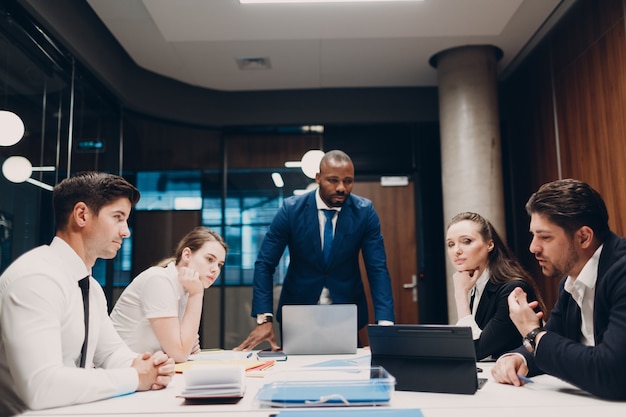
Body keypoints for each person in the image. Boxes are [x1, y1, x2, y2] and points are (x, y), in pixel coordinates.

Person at [0, 172, 175, 415]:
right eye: (118, 218)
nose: (126, 231)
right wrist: (135, 377)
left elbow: (113, 353)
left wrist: (148, 365)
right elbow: (41, 387)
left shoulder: (89, 287)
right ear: (82, 215)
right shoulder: (36, 278)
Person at [234, 150, 395, 351]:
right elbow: (265, 264)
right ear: (318, 178)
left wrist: (385, 324)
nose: (341, 188)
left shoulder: (364, 212)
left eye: (348, 181)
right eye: (333, 180)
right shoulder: (291, 210)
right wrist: (264, 317)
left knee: (348, 375)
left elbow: (377, 268)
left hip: (345, 312)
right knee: (296, 375)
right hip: (298, 312)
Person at [491, 179, 626, 400]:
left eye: (545, 237)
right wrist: (518, 357)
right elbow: (553, 339)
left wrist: (532, 333)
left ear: (583, 237)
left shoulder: (621, 272)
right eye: (534, 235)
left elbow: (613, 373)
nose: (533, 247)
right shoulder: (570, 282)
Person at [110, 227, 227, 363]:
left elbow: (182, 350)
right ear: (187, 255)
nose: (215, 269)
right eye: (209, 259)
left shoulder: (185, 290)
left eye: (219, 265)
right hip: (118, 371)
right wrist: (197, 294)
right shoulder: (159, 280)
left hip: (142, 369)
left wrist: (186, 345)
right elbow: (179, 355)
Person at [446, 212, 545, 360]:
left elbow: (473, 350)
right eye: (451, 244)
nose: (456, 250)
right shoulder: (478, 284)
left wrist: (460, 294)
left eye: (466, 241)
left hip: (522, 377)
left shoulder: (512, 289)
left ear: (489, 244)